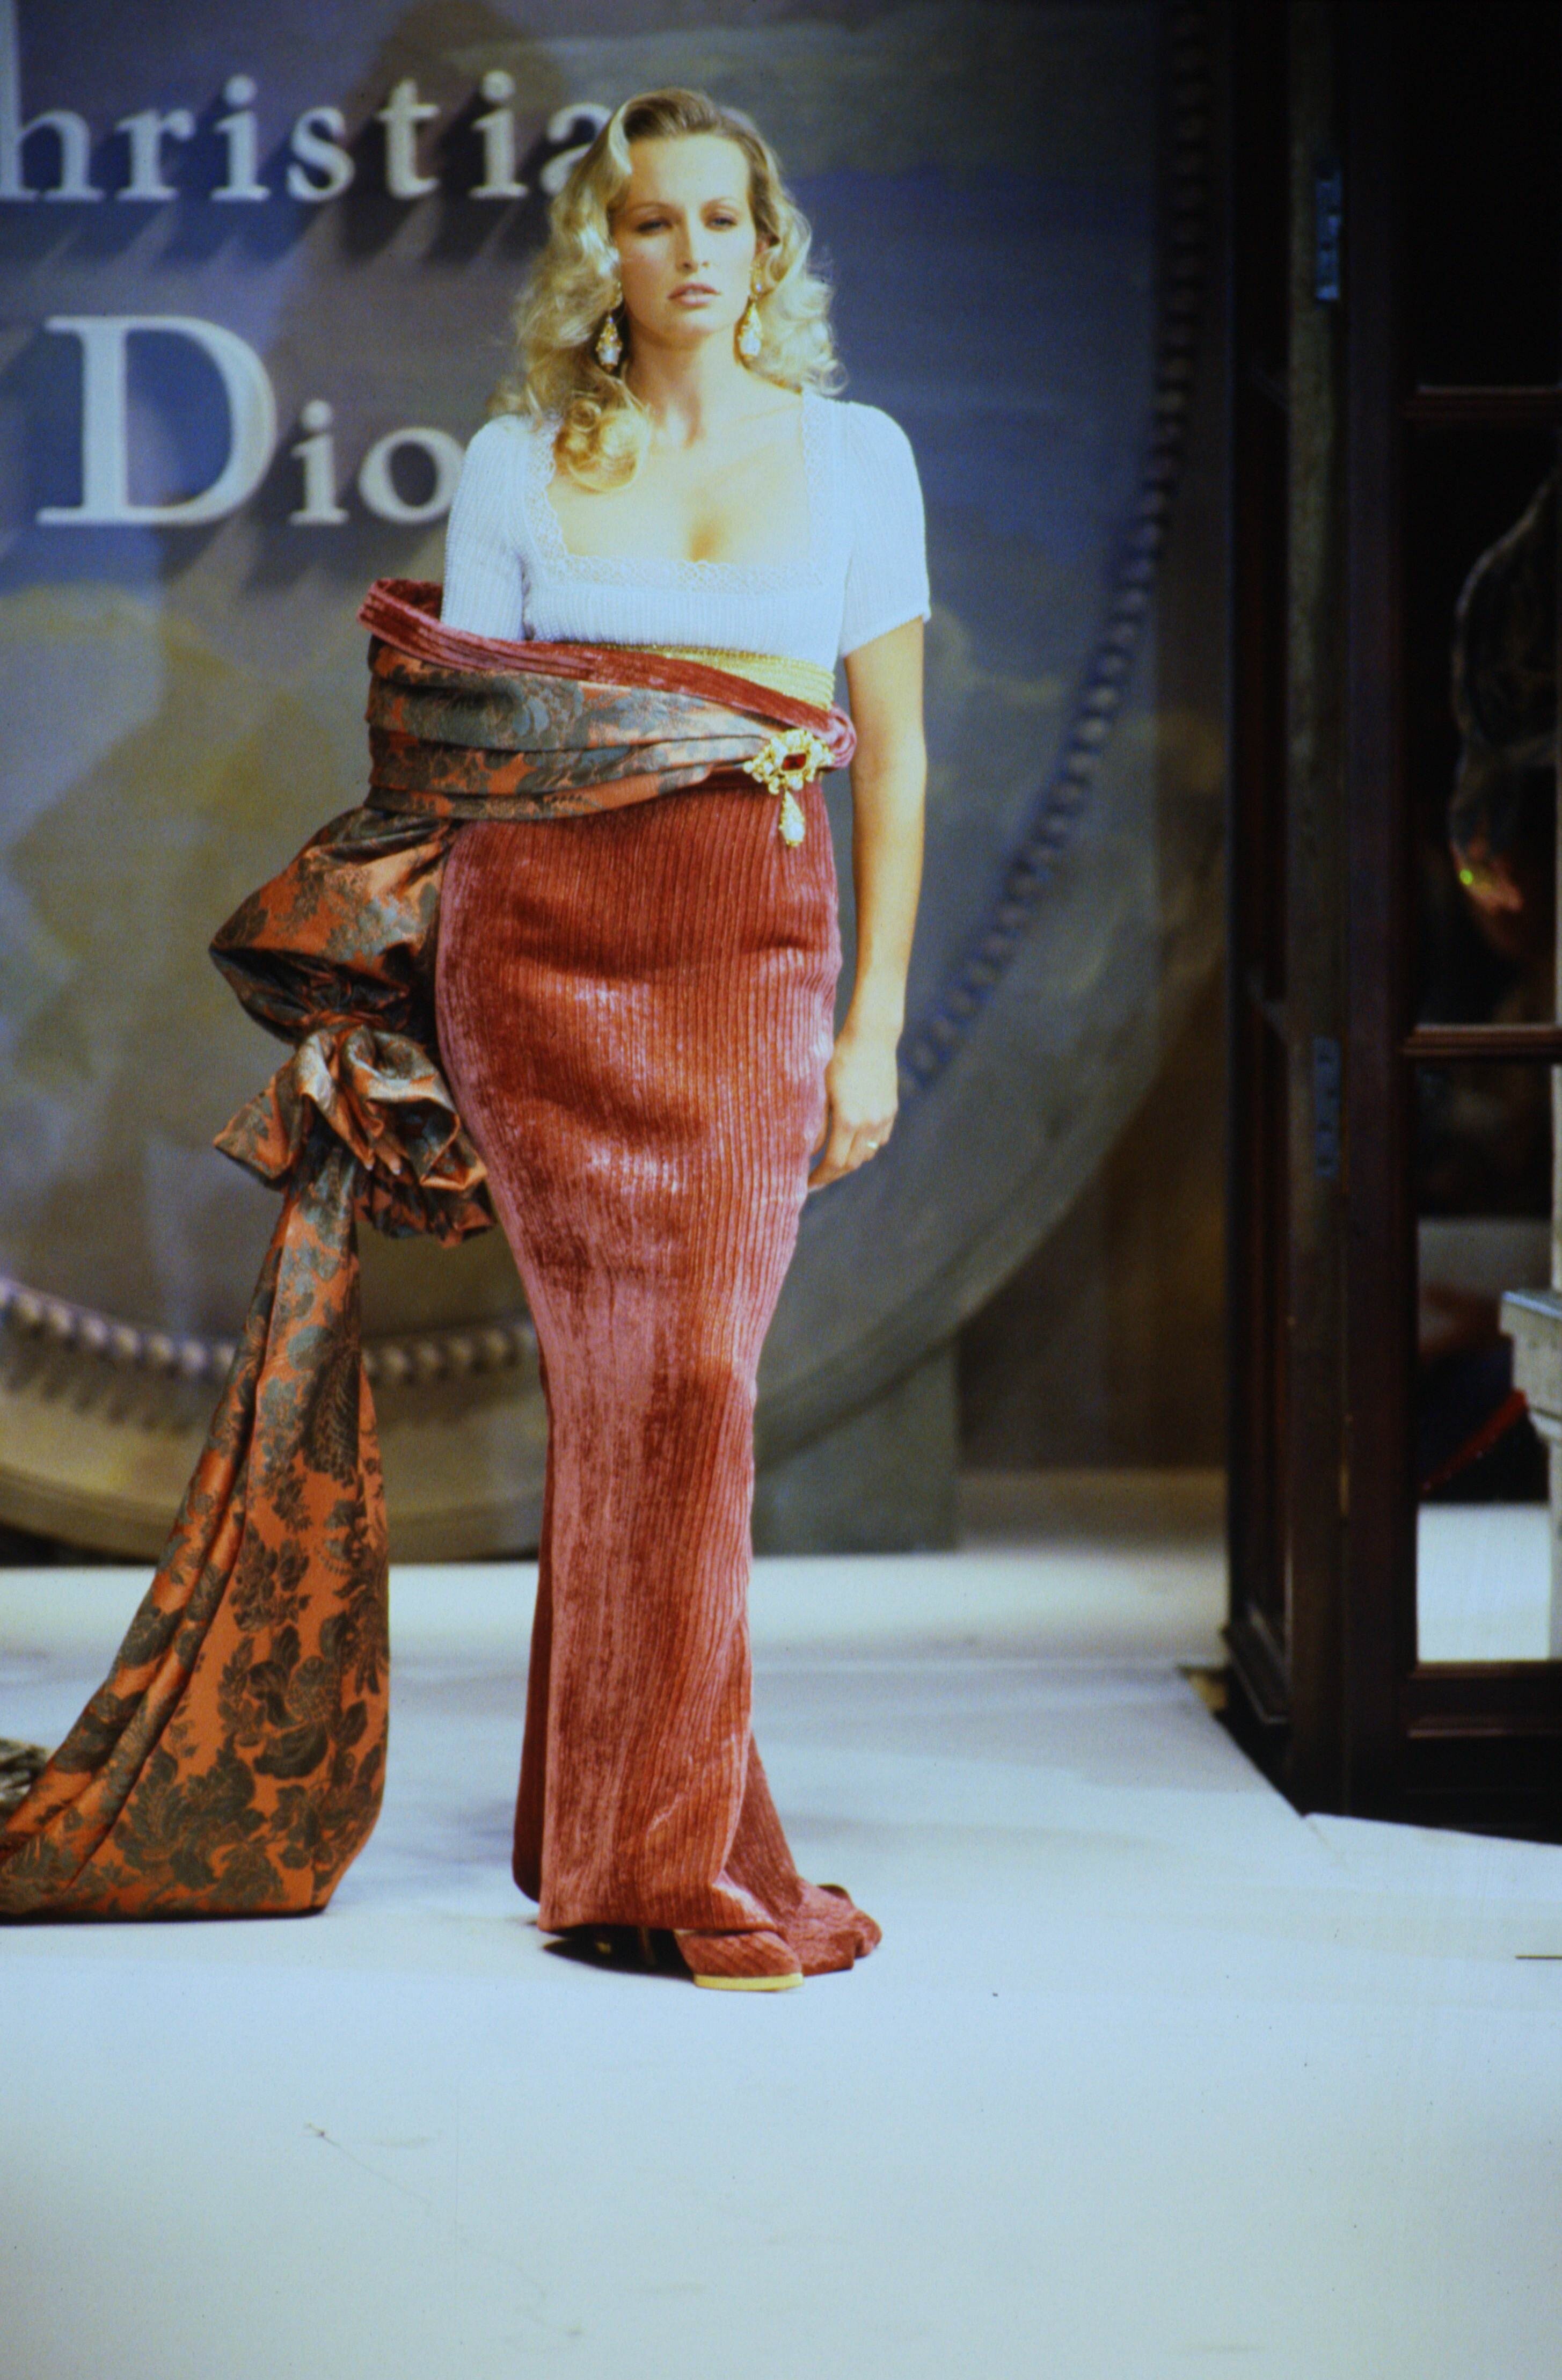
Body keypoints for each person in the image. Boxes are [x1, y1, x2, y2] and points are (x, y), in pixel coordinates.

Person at [434, 86, 929, 1989]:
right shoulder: (513, 465)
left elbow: (899, 765)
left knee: (699, 1383)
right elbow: (467, 762)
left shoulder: (858, 456)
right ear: (605, 249)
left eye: (723, 218)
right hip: (537, 962)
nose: (692, 252)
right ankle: (641, 1851)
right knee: (619, 1392)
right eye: (653, 221)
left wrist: (874, 1025)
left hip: (753, 956)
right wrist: (410, 1011)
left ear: (768, 242)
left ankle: (625, 1834)